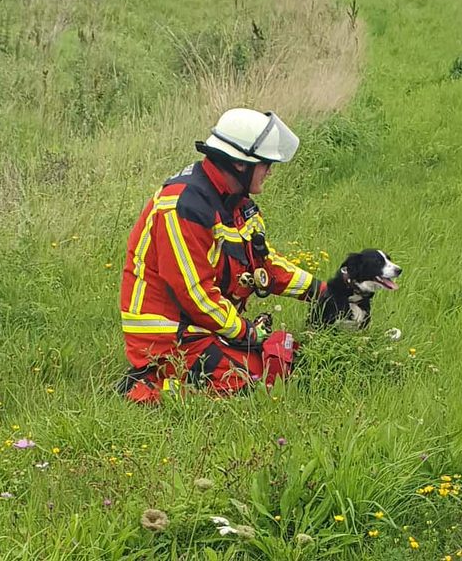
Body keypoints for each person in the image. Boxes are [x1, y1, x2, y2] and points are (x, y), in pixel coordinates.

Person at [116, 108, 325, 403]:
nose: (270, 170)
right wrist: (246, 332)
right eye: (265, 163)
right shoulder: (183, 206)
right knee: (252, 378)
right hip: (168, 338)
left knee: (285, 358)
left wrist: (319, 291)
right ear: (241, 164)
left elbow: (263, 262)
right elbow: (195, 294)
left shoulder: (236, 202)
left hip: (201, 327)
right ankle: (147, 384)